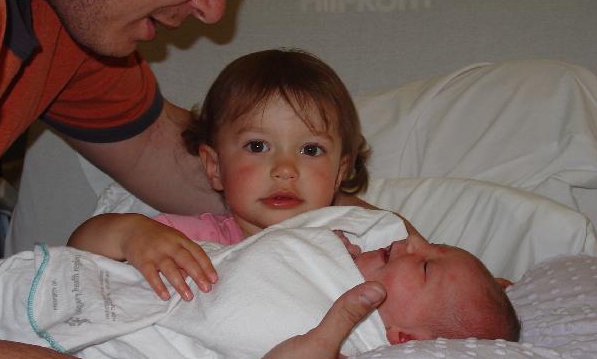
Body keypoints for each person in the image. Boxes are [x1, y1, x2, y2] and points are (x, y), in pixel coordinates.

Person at [0, 0, 385, 359]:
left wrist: (386, 235)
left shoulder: (66, 29)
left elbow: (160, 150)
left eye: (310, 151)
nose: (214, 10)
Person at [0, 207, 519, 359]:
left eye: (424, 265)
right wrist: (130, 232)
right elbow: (87, 248)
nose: (408, 241)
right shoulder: (321, 240)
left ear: (402, 340)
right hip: (27, 291)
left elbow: (237, 325)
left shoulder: (343, 357)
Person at [68, 48, 373, 302]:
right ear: (214, 167)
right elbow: (76, 254)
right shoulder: (190, 239)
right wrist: (130, 233)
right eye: (257, 146)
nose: (285, 169)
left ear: (339, 173)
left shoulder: (354, 251)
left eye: (310, 150)